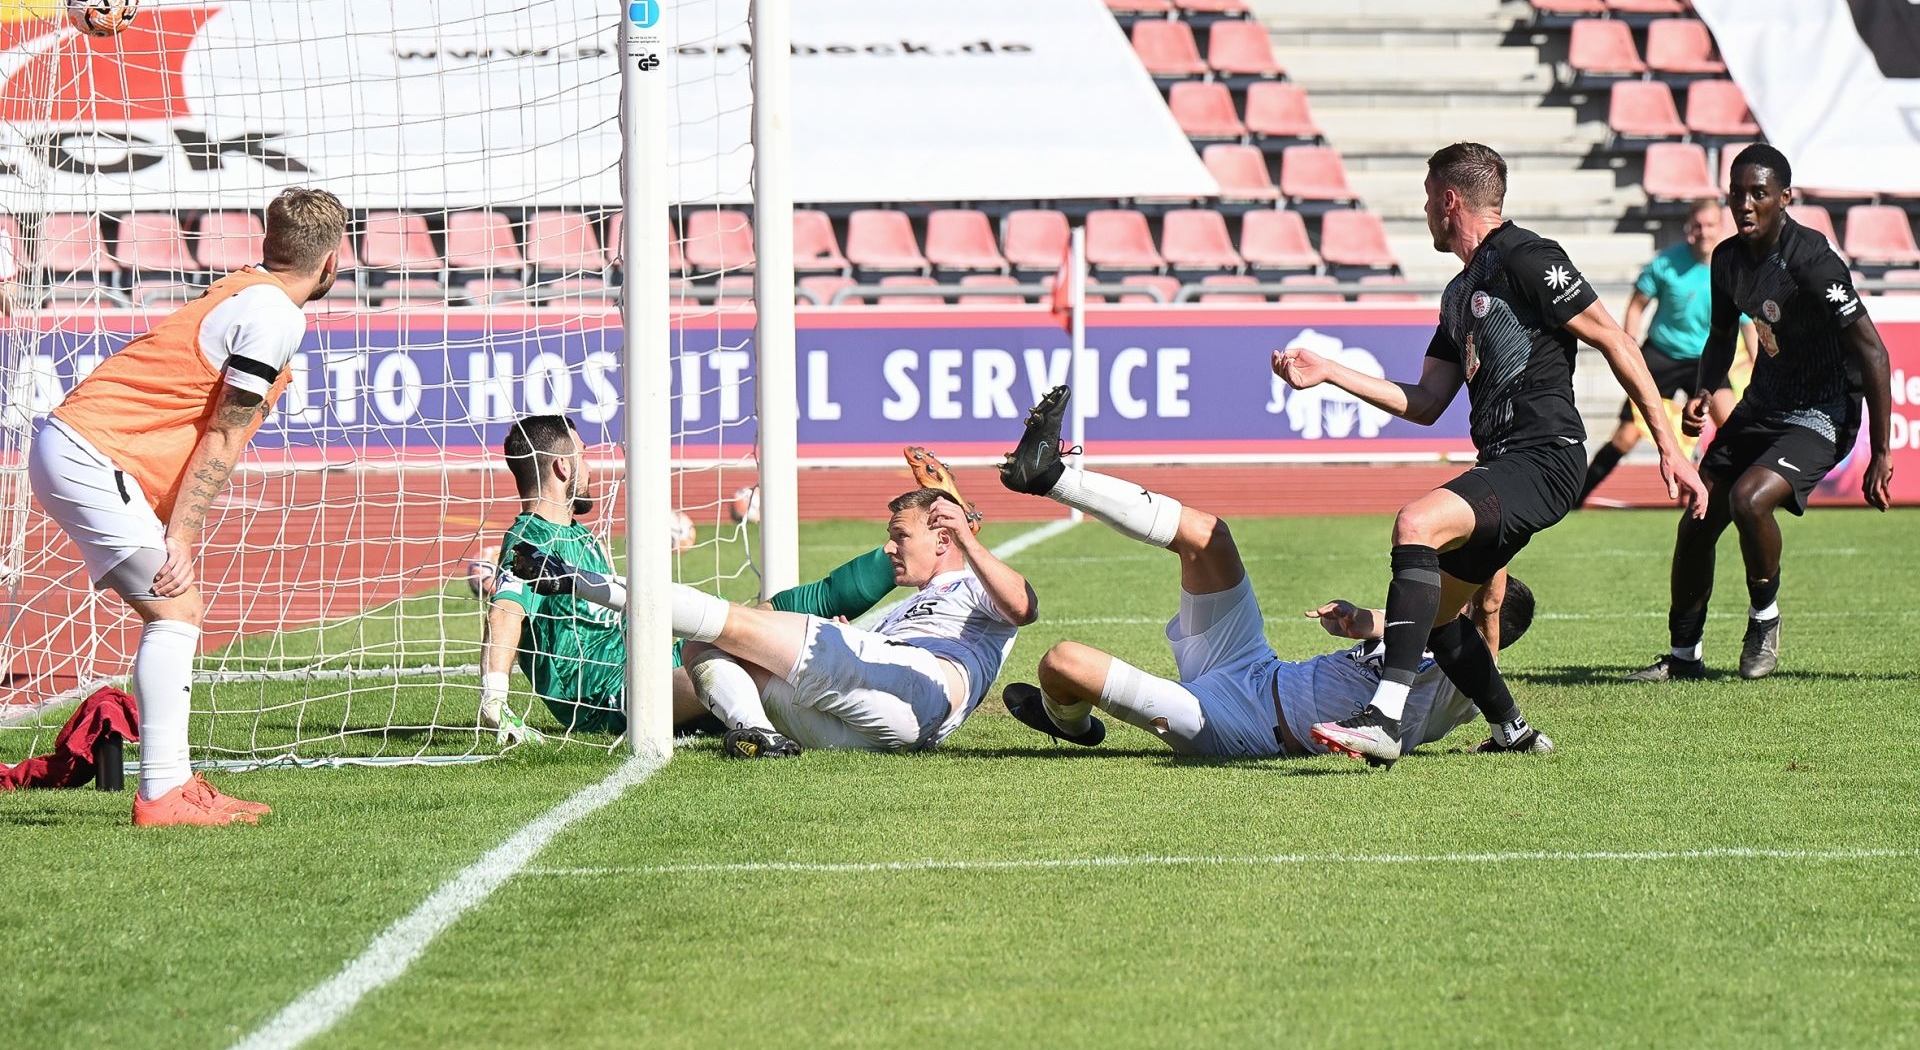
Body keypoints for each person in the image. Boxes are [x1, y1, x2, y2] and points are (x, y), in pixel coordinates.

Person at [1267, 142, 1706, 763]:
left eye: (1428, 199)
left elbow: (1615, 339)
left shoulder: (1528, 256)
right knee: (1440, 619)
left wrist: (1669, 448)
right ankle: (1513, 732)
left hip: (1546, 457)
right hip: (1504, 463)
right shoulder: (1458, 295)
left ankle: (1384, 720)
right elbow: (1425, 401)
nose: (1424, 211)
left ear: (1450, 201)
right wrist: (1330, 372)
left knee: (1415, 523)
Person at [994, 388, 1534, 768]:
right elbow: (1394, 621)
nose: (1446, 590)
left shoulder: (1468, 683)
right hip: (1254, 665)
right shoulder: (1423, 635)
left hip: (1243, 726)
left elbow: (1487, 609)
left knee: (1062, 662)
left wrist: (1499, 488)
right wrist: (1357, 619)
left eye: (1462, 595)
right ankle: (1051, 475)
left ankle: (1069, 724)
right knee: (1209, 536)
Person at [26, 187, 347, 825]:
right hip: (92, 452)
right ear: (332, 261)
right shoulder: (277, 316)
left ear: (267, 245)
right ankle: (163, 794)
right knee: (176, 609)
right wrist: (182, 535)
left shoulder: (246, 287)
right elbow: (224, 432)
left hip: (80, 446)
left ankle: (173, 784)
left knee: (177, 610)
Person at [481, 415, 984, 752]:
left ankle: (921, 538)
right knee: (750, 649)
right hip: (605, 692)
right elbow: (506, 610)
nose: (592, 466)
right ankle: (758, 733)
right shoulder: (530, 540)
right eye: (585, 456)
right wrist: (494, 699)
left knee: (765, 618)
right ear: (563, 466)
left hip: (642, 657)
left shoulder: (574, 533)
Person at [1629, 144, 1894, 683]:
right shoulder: (1727, 259)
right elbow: (1720, 335)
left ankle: (1764, 620)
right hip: (1763, 403)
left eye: (1759, 193)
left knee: (1749, 501)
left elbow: (1874, 353)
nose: (1745, 204)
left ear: (1785, 198)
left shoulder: (1813, 263)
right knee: (1699, 515)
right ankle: (1684, 657)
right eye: (1737, 193)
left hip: (1822, 411)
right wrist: (1705, 392)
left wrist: (1883, 451)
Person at [516, 483, 1037, 754]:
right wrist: (853, 636)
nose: (889, 547)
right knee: (705, 650)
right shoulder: (903, 609)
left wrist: (969, 539)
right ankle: (758, 735)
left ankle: (579, 582)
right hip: (879, 731)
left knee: (729, 623)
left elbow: (1024, 607)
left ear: (944, 539)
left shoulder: (974, 585)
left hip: (924, 690)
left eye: (900, 536)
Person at [1580, 199, 1757, 505]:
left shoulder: (1732, 269)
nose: (1703, 232)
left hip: (1707, 360)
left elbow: (1748, 325)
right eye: (1698, 225)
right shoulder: (1666, 263)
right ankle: (1576, 497)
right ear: (1689, 227)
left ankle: (1741, 495)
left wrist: (1759, 367)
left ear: (1721, 227)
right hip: (1662, 355)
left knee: (1732, 428)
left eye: (1710, 225)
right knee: (1626, 436)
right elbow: (1637, 305)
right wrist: (1630, 347)